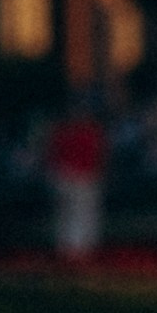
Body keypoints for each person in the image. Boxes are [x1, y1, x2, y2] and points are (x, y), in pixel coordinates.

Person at [47, 101, 108, 264]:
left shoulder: (64, 130)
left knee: (70, 215)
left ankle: (70, 250)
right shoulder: (88, 131)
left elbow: (51, 155)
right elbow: (100, 156)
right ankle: (77, 252)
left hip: (69, 177)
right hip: (80, 177)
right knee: (79, 215)